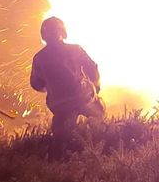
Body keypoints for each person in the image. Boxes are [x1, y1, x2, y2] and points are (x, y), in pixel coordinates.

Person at [30, 17, 105, 156]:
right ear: (62, 32)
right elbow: (92, 68)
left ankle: (57, 159)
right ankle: (100, 146)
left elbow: (36, 84)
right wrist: (96, 86)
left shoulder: (38, 58)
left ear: (44, 35)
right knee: (99, 114)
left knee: (59, 135)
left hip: (58, 104)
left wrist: (52, 89)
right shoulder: (75, 49)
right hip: (83, 98)